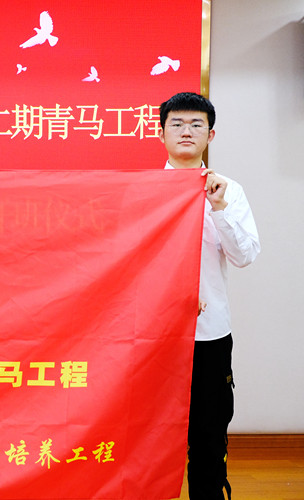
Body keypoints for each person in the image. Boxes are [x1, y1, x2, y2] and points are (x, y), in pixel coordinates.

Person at [159, 92, 260, 500]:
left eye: (196, 124)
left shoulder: (228, 190)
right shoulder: (142, 192)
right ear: (161, 133)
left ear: (210, 134)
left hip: (209, 334)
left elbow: (245, 256)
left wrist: (218, 208)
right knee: (150, 435)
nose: (186, 131)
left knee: (208, 437)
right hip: (152, 337)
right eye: (177, 124)